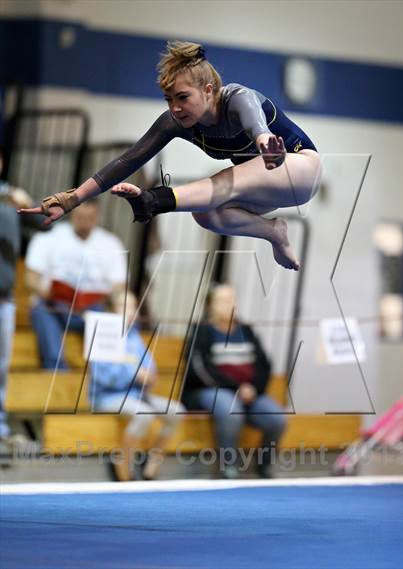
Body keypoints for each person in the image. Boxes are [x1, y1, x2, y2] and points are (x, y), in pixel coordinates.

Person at [18, 41, 321, 270]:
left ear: (208, 90)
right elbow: (128, 160)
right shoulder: (175, 122)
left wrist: (265, 142)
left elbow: (257, 125)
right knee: (205, 212)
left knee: (226, 182)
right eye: (169, 99)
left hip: (300, 168)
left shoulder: (238, 99)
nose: (175, 107)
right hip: (263, 185)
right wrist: (72, 199)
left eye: (183, 97)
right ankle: (273, 232)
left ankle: (154, 200)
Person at [182, 283, 286, 478]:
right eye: (223, 300)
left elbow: (264, 364)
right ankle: (228, 465)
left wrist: (254, 388)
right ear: (211, 305)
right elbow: (200, 369)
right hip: (207, 391)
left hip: (248, 393)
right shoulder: (202, 330)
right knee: (230, 408)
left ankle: (264, 465)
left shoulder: (245, 330)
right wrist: (236, 388)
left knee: (277, 418)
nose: (228, 304)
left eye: (231, 300)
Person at [89, 290, 185, 481]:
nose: (131, 311)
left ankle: (151, 466)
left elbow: (150, 368)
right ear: (111, 310)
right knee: (145, 415)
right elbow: (104, 377)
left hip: (136, 395)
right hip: (107, 396)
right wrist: (134, 373)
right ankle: (122, 463)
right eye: (124, 306)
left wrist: (148, 375)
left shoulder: (134, 337)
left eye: (133, 306)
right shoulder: (102, 336)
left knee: (177, 411)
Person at [25, 199, 127, 369]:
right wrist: (46, 291)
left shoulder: (111, 243)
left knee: (118, 316)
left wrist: (110, 298)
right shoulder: (50, 236)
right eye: (80, 217)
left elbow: (119, 285)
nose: (84, 222)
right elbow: (30, 278)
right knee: (40, 309)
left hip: (93, 309)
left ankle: (105, 373)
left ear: (97, 217)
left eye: (89, 218)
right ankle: (55, 368)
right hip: (56, 305)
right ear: (72, 214)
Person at [0, 151, 34, 443]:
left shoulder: (11, 198)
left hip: (4, 298)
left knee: (1, 367)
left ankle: (0, 427)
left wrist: (26, 205)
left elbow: (40, 219)